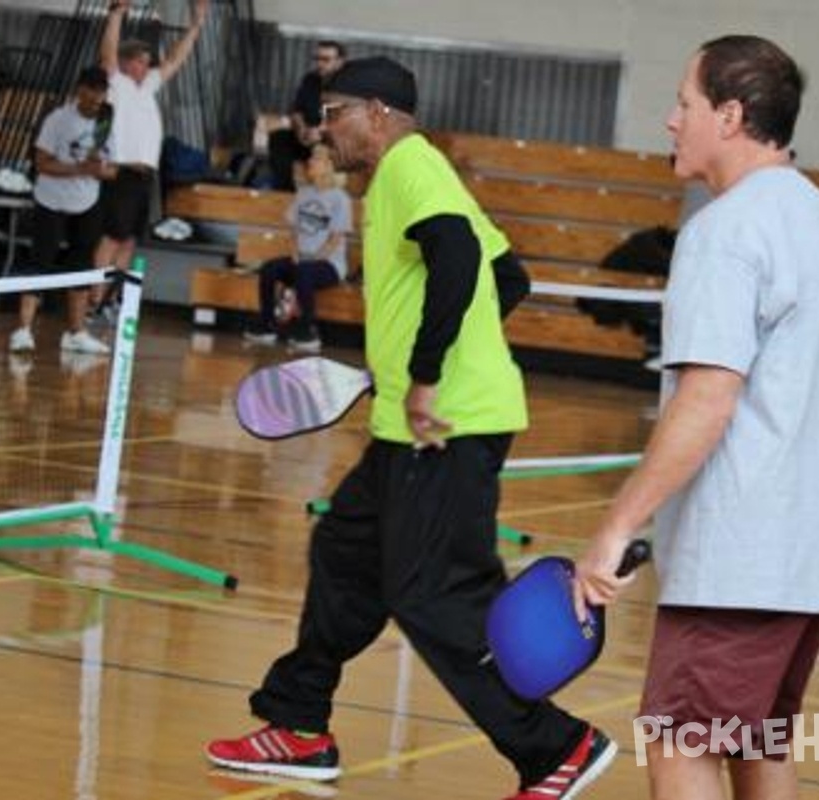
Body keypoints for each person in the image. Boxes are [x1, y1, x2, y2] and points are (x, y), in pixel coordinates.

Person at [207, 57, 615, 800]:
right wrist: (429, 365)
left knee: (431, 593)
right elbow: (508, 277)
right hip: (412, 424)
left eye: (334, 114)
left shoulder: (408, 167)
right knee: (343, 553)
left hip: (446, 426)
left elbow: (459, 255)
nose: (323, 131)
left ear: (378, 113)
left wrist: (429, 372)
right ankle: (298, 723)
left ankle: (554, 746)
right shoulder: (417, 177)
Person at [572, 36, 819, 800]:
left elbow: (707, 399)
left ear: (730, 115)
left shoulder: (725, 231)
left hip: (741, 560)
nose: (672, 121)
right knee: (759, 742)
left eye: (685, 102)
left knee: (681, 742)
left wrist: (616, 526)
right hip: (813, 556)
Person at [91, 0, 209, 319]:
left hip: (146, 177)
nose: (147, 67)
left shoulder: (148, 87)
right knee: (112, 239)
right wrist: (116, 14)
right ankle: (92, 301)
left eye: (147, 62)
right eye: (141, 62)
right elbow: (108, 55)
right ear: (128, 63)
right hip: (123, 172)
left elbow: (175, 59)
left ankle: (110, 302)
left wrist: (196, 25)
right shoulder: (118, 84)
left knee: (129, 241)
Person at [8, 66, 115, 355]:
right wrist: (77, 168)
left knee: (81, 265)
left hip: (87, 202)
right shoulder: (58, 119)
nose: (95, 99)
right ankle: (23, 330)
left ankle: (76, 332)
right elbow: (42, 163)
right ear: (80, 90)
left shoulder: (109, 121)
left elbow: (114, 170)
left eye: (101, 94)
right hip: (51, 200)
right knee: (39, 261)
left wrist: (100, 170)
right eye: (90, 92)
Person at [243, 145, 352, 352]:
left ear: (330, 166)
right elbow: (294, 231)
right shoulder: (304, 193)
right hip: (301, 259)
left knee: (304, 273)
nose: (310, 162)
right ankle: (267, 324)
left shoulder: (340, 199)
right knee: (269, 269)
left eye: (316, 159)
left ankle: (307, 330)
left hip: (329, 265)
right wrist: (295, 252)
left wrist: (311, 260)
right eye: (311, 158)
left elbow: (335, 239)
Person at [266, 40, 346, 192]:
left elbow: (346, 122)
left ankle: (323, 200)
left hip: (331, 142)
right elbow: (297, 110)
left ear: (340, 61)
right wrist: (301, 129)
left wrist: (322, 134)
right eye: (318, 59)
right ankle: (284, 192)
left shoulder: (348, 87)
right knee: (278, 138)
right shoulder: (310, 79)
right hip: (306, 135)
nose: (320, 63)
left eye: (326, 59)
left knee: (323, 152)